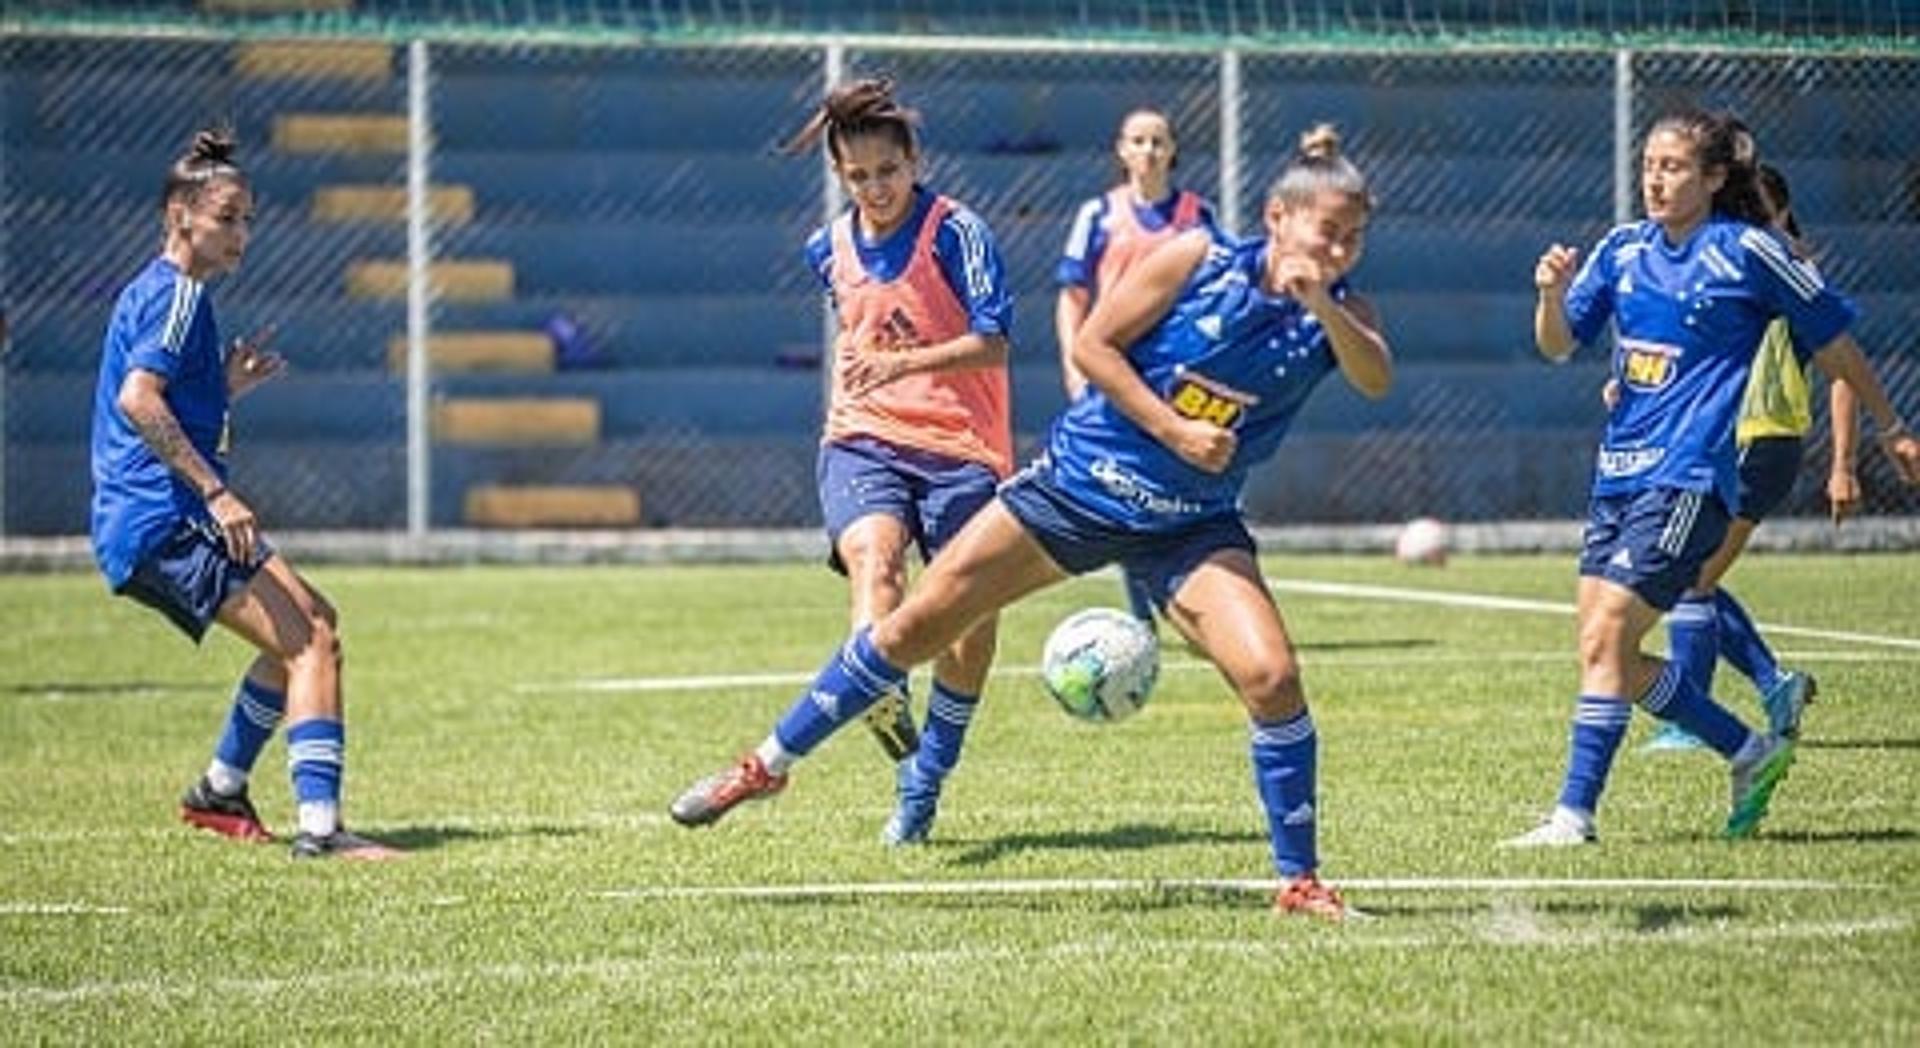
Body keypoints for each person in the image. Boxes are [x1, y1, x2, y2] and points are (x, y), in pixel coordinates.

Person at [672, 124, 1393, 921]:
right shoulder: (1195, 257)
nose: (1339, 249)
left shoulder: (1338, 314)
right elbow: (1093, 347)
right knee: (912, 629)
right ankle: (766, 764)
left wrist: (1321, 297)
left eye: (1354, 238)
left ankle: (1299, 882)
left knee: (1273, 677)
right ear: (1277, 217)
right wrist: (1175, 430)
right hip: (1075, 492)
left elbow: (1375, 376)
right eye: (1327, 232)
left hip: (1190, 525)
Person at [1507, 111, 1920, 848]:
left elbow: (1835, 344)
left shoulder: (1749, 252)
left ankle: (1574, 816)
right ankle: (1748, 750)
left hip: (1692, 476)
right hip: (1619, 475)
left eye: (1673, 166)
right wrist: (1549, 293)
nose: (1656, 179)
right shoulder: (1623, 249)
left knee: (1608, 637)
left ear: (1714, 178)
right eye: (1649, 165)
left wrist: (1889, 429)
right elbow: (1558, 343)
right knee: (1610, 656)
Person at [88, 128, 398, 860]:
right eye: (227, 218)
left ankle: (221, 791)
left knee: (314, 622)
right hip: (165, 519)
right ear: (180, 217)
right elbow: (138, 400)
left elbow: (156, 398)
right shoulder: (178, 296)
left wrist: (224, 387)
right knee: (310, 641)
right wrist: (216, 494)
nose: (242, 235)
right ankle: (322, 834)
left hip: (163, 515)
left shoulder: (167, 295)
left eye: (248, 219)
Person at [782, 78, 1018, 828]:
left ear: (913, 160)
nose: (875, 188)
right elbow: (862, 340)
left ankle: (926, 778)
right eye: (858, 176)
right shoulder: (829, 249)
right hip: (863, 436)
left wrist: (907, 364)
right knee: (876, 564)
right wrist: (882, 375)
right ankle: (881, 689)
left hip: (962, 447)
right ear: (839, 177)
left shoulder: (957, 232)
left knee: (968, 622)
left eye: (887, 171)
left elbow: (996, 341)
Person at [1641, 163, 1866, 753]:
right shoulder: (1718, 266)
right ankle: (1770, 686)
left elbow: (1844, 372)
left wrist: (1844, 463)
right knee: (1692, 576)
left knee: (1691, 579)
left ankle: (1703, 714)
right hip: (1718, 440)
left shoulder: (1785, 271)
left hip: (1762, 441)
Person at [1056, 107, 1219, 627]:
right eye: (1138, 141)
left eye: (1158, 141)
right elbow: (1073, 296)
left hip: (1173, 369)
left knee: (1172, 483)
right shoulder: (1098, 216)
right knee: (1117, 483)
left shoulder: (1198, 216)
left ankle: (1181, 597)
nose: (1148, 151)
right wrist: (1074, 365)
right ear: (1121, 151)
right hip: (1113, 365)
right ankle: (1140, 612)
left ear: (1172, 151)